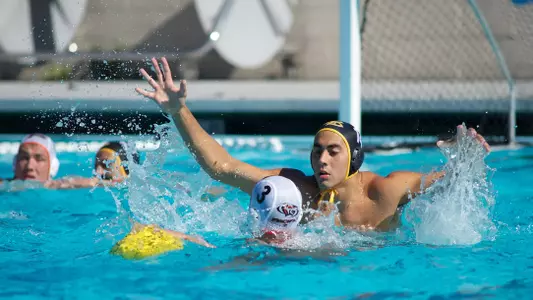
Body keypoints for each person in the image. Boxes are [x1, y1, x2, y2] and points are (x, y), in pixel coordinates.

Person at [134, 57, 492, 232]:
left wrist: (469, 160)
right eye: (317, 150)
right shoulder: (296, 189)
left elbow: (450, 182)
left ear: (354, 159)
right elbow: (221, 167)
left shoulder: (385, 191)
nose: (321, 159)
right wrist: (177, 110)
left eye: (332, 151)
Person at [110, 176, 304, 259]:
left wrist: (184, 236)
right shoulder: (316, 244)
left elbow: (207, 246)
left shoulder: (248, 246)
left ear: (253, 211)